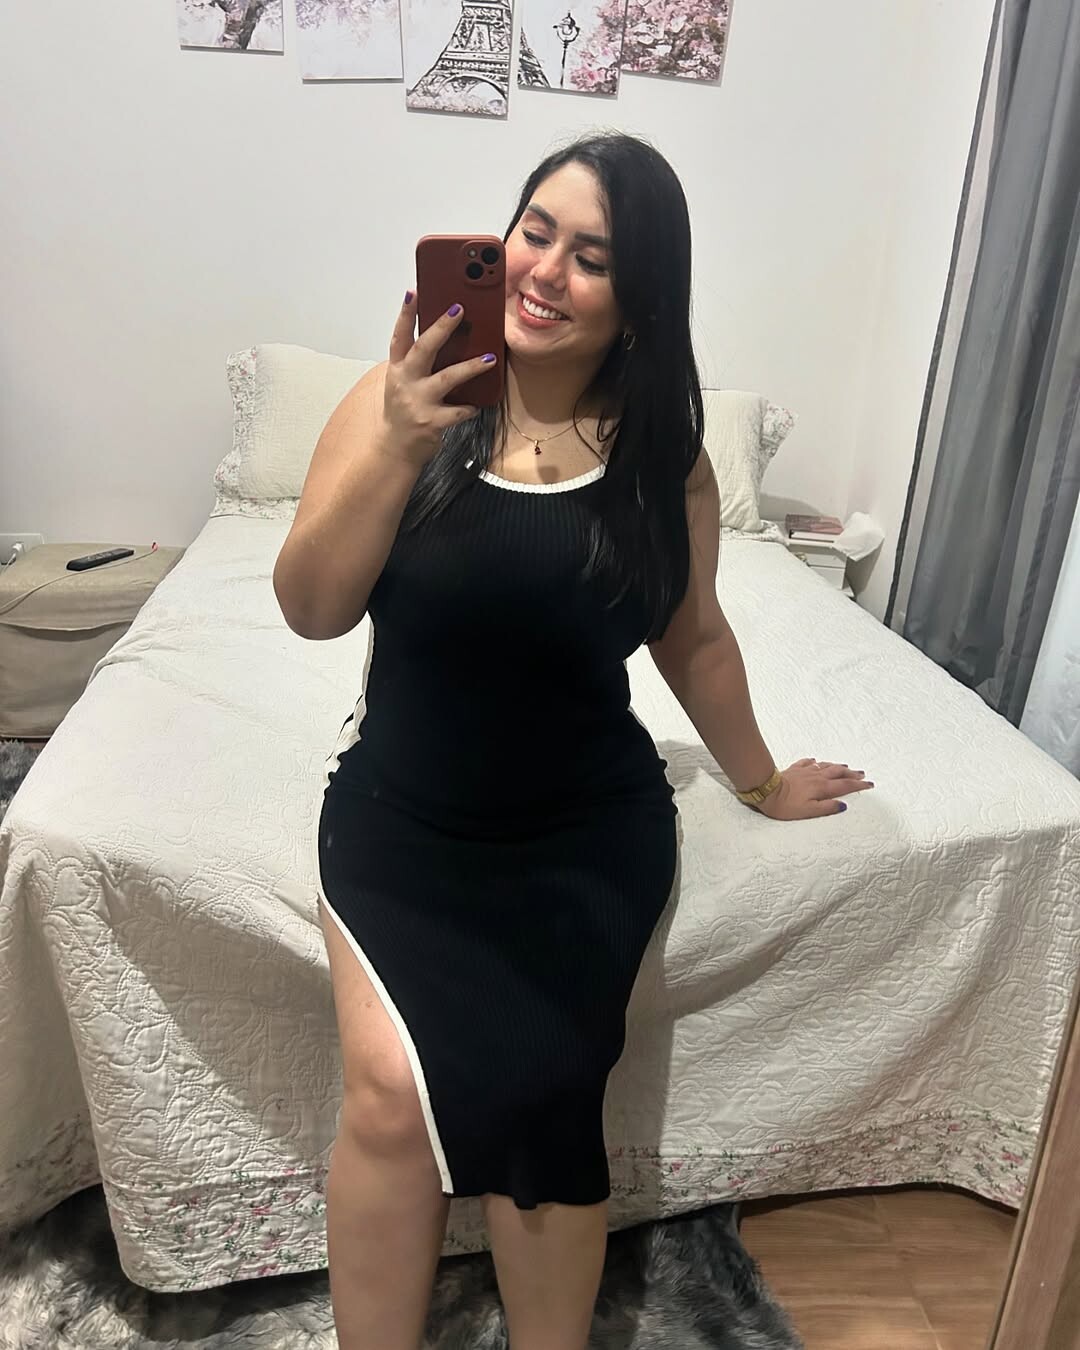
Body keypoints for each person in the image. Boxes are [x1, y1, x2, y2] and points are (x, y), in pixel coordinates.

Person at [273, 130, 874, 1350]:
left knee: (551, 1103)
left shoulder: (663, 465)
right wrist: (396, 439)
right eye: (533, 232)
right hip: (404, 816)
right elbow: (311, 607)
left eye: (590, 256)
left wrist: (759, 777)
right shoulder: (398, 404)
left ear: (639, 300)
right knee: (386, 1098)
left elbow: (693, 639)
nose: (543, 270)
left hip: (582, 828)